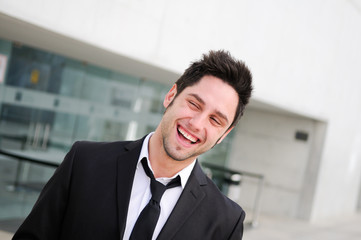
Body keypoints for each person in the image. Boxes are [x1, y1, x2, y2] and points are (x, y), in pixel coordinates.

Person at [12, 50, 253, 240]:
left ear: (224, 135)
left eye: (215, 120)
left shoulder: (226, 221)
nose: (197, 124)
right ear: (171, 95)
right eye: (194, 104)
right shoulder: (84, 161)